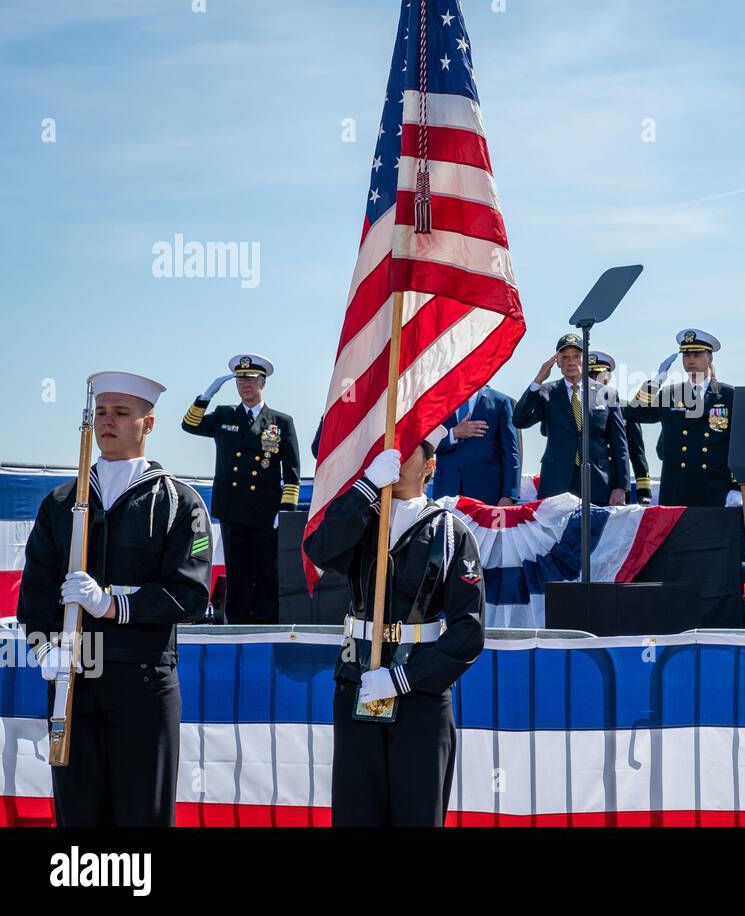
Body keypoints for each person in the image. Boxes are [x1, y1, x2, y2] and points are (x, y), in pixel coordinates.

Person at [18, 371, 213, 826]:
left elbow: (191, 593)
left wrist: (113, 605)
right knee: (78, 813)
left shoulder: (178, 503)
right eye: (101, 412)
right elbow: (37, 589)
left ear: (148, 424)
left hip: (142, 680)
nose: (108, 422)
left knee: (141, 812)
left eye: (122, 413)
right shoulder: (61, 502)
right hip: (74, 677)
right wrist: (44, 645)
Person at [303, 441, 485, 827]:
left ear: (430, 465)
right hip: (359, 681)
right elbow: (319, 548)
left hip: (420, 695)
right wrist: (366, 487)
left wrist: (403, 679)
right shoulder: (363, 519)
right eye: (391, 450)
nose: (397, 459)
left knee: (417, 813)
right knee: (357, 813)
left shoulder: (451, 531)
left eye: (408, 451)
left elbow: (468, 631)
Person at [181, 353, 301, 623]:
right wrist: (205, 396)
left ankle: (267, 625)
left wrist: (285, 511)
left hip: (265, 512)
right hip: (232, 509)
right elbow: (189, 425)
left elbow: (292, 473)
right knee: (238, 573)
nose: (245, 385)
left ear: (263, 383)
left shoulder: (280, 422)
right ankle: (236, 625)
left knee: (266, 572)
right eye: (240, 380)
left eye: (251, 380)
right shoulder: (224, 415)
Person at [626, 329, 742, 508]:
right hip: (676, 492)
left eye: (697, 354)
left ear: (709, 358)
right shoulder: (670, 393)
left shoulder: (728, 395)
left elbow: (738, 443)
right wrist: (655, 383)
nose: (691, 360)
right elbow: (634, 414)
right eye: (686, 355)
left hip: (714, 490)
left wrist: (736, 486)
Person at [512, 333, 628, 505]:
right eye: (565, 357)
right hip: (556, 483)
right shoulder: (546, 392)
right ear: (557, 362)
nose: (571, 362)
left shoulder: (607, 393)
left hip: (597, 481)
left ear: (585, 359)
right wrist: (537, 381)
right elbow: (519, 420)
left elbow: (619, 444)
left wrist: (621, 486)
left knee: (596, 531)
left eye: (576, 356)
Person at [430, 384, 521, 506]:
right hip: (446, 493)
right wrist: (454, 433)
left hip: (487, 496)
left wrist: (508, 496)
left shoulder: (501, 402)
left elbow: (511, 453)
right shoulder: (437, 402)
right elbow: (426, 443)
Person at [588, 351, 652, 504]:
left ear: (608, 377)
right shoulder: (576, 405)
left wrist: (643, 491)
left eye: (598, 374)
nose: (594, 378)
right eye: (590, 374)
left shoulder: (623, 407)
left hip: (614, 483)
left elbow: (636, 452)